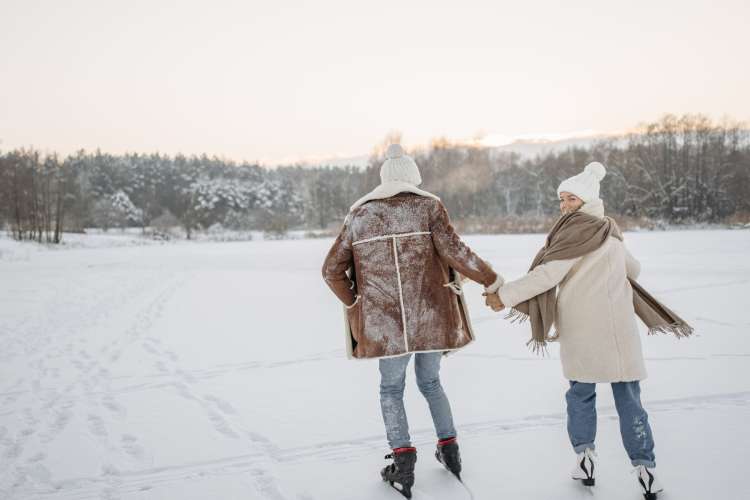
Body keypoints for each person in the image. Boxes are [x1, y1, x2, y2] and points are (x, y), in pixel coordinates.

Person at [485, 162, 693, 500]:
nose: (564, 205)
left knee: (581, 395)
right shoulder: (608, 231)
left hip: (583, 330)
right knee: (629, 400)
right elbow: (634, 270)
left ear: (586, 201)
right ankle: (646, 470)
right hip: (620, 330)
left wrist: (504, 296)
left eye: (570, 199)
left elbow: (547, 276)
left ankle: (585, 459)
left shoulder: (575, 233)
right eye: (561, 199)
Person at [322, 144, 503, 498]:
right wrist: (491, 280)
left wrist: (356, 301)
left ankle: (403, 462)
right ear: (413, 177)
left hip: (384, 324)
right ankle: (450, 450)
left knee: (391, 389)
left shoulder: (359, 215)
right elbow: (457, 252)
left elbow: (331, 271)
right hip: (430, 316)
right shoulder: (428, 207)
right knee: (431, 382)